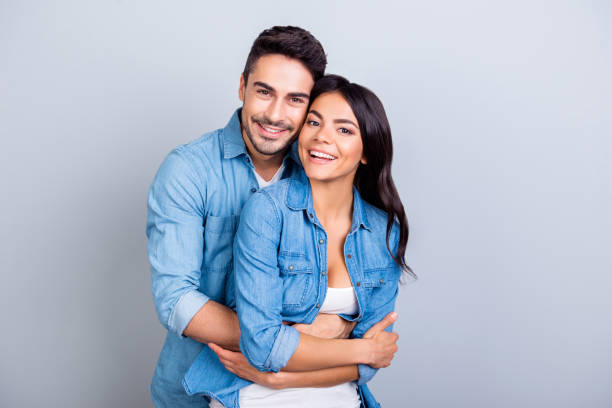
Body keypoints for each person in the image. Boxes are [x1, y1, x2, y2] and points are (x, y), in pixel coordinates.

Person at [146, 27, 399, 407]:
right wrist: (311, 337)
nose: (275, 115)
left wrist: (295, 354)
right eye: (264, 91)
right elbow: (177, 301)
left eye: (295, 100)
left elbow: (370, 317)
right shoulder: (189, 170)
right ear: (242, 87)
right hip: (202, 385)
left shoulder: (322, 165)